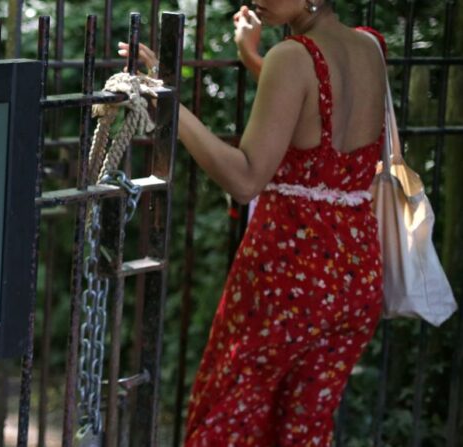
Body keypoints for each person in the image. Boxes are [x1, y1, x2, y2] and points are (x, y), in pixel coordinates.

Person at [120, 0, 387, 445]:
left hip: (290, 273)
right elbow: (313, 109)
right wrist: (250, 56)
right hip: (355, 274)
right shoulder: (370, 47)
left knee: (230, 418)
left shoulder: (293, 56)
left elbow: (245, 180)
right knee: (302, 430)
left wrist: (167, 100)